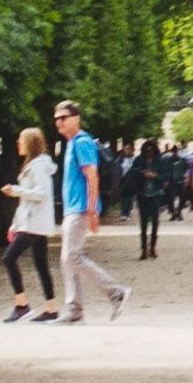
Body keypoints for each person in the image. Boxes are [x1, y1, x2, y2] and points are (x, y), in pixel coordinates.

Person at [53, 100, 130, 323]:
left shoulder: (82, 143)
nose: (59, 122)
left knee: (72, 256)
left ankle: (116, 292)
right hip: (73, 209)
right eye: (56, 118)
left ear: (76, 118)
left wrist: (93, 210)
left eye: (63, 117)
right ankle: (74, 309)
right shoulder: (72, 144)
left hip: (80, 209)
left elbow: (92, 176)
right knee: (67, 259)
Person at [0, 127, 58, 320]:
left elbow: (42, 194)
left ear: (30, 143)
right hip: (33, 221)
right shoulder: (34, 165)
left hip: (34, 222)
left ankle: (22, 305)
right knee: (41, 264)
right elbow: (26, 202)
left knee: (8, 258)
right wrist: (14, 225)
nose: (18, 143)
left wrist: (16, 190)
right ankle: (51, 308)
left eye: (21, 140)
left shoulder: (38, 166)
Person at [131, 137, 169, 262]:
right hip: (142, 194)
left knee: (155, 221)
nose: (149, 153)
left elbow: (165, 176)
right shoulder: (138, 160)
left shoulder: (160, 161)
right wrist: (143, 174)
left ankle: (152, 246)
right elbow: (133, 173)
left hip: (156, 194)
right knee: (143, 223)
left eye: (151, 151)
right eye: (147, 151)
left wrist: (155, 176)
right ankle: (143, 249)